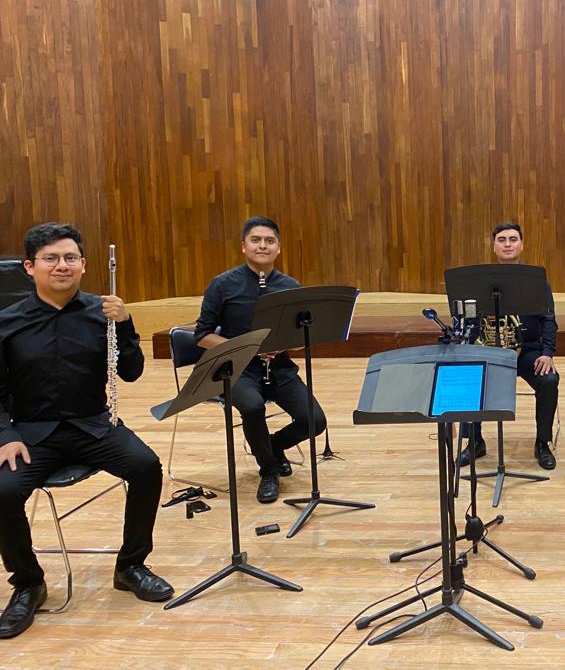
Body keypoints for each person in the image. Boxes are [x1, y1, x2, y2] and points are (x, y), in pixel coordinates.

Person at [0, 224, 173, 640]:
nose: (62, 266)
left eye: (70, 258)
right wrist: (5, 435)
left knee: (147, 466)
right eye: (51, 259)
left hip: (92, 425)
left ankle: (130, 566)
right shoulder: (6, 322)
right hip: (30, 431)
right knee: (2, 492)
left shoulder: (103, 312)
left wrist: (127, 324)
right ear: (29, 267)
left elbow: (130, 373)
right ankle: (28, 584)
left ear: (84, 264)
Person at [195, 216, 326, 504]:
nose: (262, 245)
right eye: (256, 240)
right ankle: (268, 470)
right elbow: (202, 335)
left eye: (269, 241)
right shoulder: (223, 284)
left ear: (278, 248)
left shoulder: (290, 285)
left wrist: (281, 347)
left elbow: (297, 334)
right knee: (253, 407)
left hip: (278, 368)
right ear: (244, 246)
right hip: (238, 368)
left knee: (314, 421)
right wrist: (249, 348)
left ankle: (272, 447)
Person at [458, 223, 559, 470]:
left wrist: (547, 353)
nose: (507, 244)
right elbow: (466, 318)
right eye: (501, 240)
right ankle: (474, 442)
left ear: (521, 245)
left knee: (549, 380)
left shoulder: (536, 281)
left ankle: (542, 442)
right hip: (490, 349)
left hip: (528, 350)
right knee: (468, 376)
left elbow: (549, 320)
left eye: (513, 239)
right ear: (494, 247)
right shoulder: (478, 282)